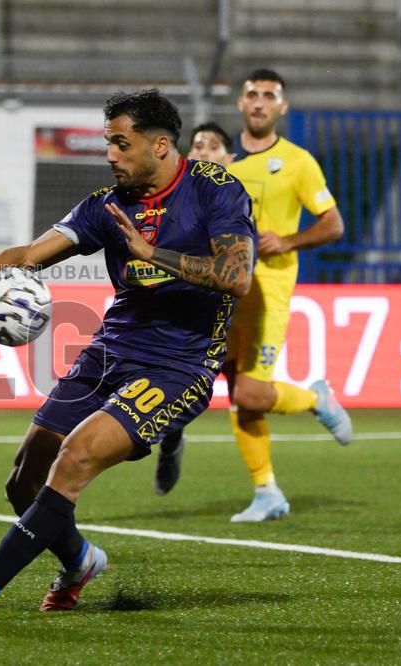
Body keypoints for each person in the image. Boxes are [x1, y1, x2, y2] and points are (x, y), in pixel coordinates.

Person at [0, 89, 255, 622]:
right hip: (110, 351)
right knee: (24, 476)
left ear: (161, 145)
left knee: (75, 455)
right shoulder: (106, 205)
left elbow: (237, 277)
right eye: (108, 144)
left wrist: (153, 255)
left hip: (180, 365)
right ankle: (79, 562)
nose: (111, 155)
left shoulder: (217, 191)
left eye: (122, 144)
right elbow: (28, 256)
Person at [153, 69, 352, 522]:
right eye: (252, 95)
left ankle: (316, 398)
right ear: (241, 105)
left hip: (269, 295)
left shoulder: (297, 162)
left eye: (269, 96)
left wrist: (288, 240)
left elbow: (333, 223)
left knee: (253, 394)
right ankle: (266, 492)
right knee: (230, 391)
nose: (260, 102)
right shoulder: (229, 169)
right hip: (225, 299)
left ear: (282, 107)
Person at [151, 121, 241, 494]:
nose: (203, 151)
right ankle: (172, 439)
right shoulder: (175, 199)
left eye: (213, 145)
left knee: (247, 393)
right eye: (198, 145)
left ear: (229, 159)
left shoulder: (239, 198)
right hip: (183, 307)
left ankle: (316, 400)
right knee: (175, 384)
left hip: (237, 306)